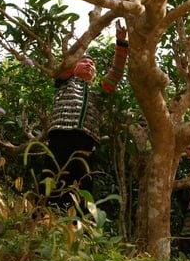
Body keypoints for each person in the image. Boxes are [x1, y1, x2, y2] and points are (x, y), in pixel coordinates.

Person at [44, 21, 128, 210]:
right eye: (85, 62)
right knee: (54, 176)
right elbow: (69, 60)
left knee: (82, 182)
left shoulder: (97, 94)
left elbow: (115, 74)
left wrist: (121, 43)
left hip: (87, 141)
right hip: (61, 135)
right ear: (74, 65)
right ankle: (45, 217)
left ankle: (78, 225)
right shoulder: (64, 81)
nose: (90, 65)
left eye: (93, 65)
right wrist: (91, 33)